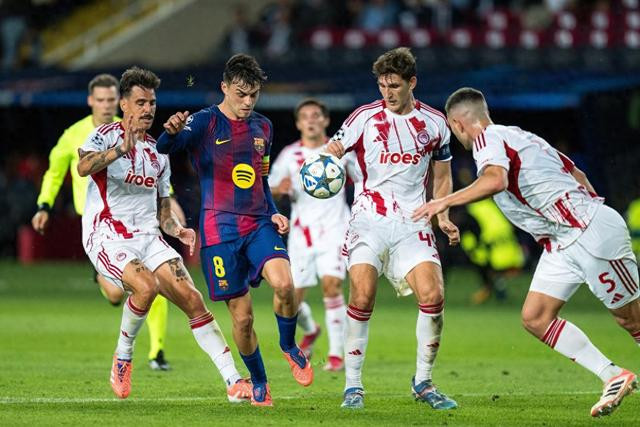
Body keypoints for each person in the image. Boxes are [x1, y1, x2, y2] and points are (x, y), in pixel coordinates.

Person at [416, 87, 639, 418]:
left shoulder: (487, 139)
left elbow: (495, 180)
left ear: (457, 124)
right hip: (562, 241)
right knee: (536, 317)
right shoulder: (520, 135)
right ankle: (613, 375)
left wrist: (443, 201)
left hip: (586, 230)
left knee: (632, 319)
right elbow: (577, 174)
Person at [77, 67, 251, 402]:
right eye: (140, 102)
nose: (148, 109)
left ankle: (233, 382)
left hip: (149, 236)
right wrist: (120, 149)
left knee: (193, 299)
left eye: (152, 103)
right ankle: (123, 357)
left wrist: (177, 229)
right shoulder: (104, 135)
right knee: (146, 287)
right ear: (124, 105)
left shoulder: (158, 151)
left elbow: (162, 209)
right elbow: (83, 167)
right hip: (108, 235)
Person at [156, 54, 313, 407]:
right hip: (219, 232)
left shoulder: (263, 127)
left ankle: (289, 345)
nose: (247, 102)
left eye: (253, 95)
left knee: (284, 284)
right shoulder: (204, 122)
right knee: (243, 320)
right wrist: (170, 132)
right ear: (224, 87)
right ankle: (259, 381)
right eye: (241, 94)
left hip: (258, 223)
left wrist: (273, 213)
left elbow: (261, 178)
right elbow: (164, 148)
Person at [325, 47, 460, 410]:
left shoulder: (435, 123)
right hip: (369, 219)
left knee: (433, 296)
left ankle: (423, 382)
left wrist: (443, 214)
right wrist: (323, 165)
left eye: (395, 86)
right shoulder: (364, 117)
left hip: (412, 223)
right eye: (382, 85)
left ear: (412, 82)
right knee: (362, 296)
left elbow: (442, 175)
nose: (387, 93)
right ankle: (353, 386)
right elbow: (333, 149)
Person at [31, 73, 173, 371]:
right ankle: (104, 281)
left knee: (152, 281)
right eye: (101, 100)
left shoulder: (132, 131)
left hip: (136, 225)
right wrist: (44, 205)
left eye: (111, 100)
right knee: (116, 293)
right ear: (90, 101)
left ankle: (157, 351)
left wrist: (171, 206)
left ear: (120, 102)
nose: (107, 105)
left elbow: (154, 176)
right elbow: (55, 173)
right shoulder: (75, 135)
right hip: (99, 228)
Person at [269, 98, 349, 372]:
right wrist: (279, 188)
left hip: (335, 228)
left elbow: (363, 180)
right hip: (301, 233)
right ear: (298, 124)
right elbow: (269, 188)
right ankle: (311, 329)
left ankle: (336, 354)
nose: (311, 120)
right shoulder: (289, 155)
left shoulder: (339, 151)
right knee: (291, 297)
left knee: (332, 286)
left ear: (326, 120)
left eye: (316, 115)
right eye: (305, 116)